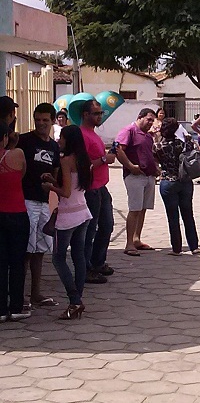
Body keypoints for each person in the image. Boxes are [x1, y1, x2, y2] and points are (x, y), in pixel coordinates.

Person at [41, 125, 93, 320]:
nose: (58, 140)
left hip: (68, 216)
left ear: (68, 139)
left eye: (61, 137)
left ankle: (74, 299)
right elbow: (75, 186)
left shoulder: (66, 159)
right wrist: (54, 181)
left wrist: (50, 187)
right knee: (78, 256)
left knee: (58, 258)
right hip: (83, 211)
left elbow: (66, 192)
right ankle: (77, 300)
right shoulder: (84, 159)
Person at [17, 102, 61, 309]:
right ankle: (19, 296)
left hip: (44, 204)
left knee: (40, 249)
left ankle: (36, 294)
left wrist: (50, 181)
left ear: (53, 120)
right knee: (25, 251)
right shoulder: (24, 140)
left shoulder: (53, 146)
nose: (41, 123)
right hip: (25, 201)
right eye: (38, 119)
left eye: (45, 120)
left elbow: (55, 174)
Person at [153, 118, 200, 256]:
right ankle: (194, 246)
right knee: (188, 214)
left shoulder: (158, 146)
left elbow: (155, 159)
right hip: (185, 181)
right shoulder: (184, 143)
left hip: (168, 181)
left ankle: (176, 248)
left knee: (172, 216)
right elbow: (195, 150)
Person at [80, 99, 116, 284]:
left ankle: (97, 261)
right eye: (96, 113)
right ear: (86, 115)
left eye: (101, 113)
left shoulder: (93, 134)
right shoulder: (82, 135)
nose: (100, 116)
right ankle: (85, 268)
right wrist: (104, 159)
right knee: (90, 230)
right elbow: (83, 165)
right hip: (90, 189)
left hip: (101, 187)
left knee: (107, 225)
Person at [115, 108, 159, 256]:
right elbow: (118, 149)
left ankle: (136, 239)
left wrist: (156, 168)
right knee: (134, 209)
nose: (151, 123)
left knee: (142, 209)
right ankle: (128, 244)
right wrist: (130, 166)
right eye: (149, 119)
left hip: (148, 176)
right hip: (134, 177)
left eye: (153, 120)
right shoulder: (129, 130)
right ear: (140, 117)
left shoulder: (148, 136)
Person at [0, 122, 31, 322]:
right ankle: (16, 307)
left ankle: (1, 309)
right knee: (17, 262)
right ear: (5, 136)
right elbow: (22, 175)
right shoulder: (18, 154)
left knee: (0, 263)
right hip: (18, 213)